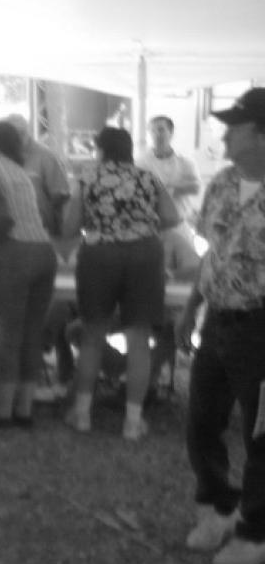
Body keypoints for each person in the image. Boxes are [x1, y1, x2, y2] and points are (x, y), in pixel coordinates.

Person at [176, 88, 265, 564]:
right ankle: (218, 506)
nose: (225, 135)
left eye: (235, 126)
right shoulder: (224, 183)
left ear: (261, 134)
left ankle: (255, 530)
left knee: (260, 433)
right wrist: (191, 306)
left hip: (260, 325)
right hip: (217, 321)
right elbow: (211, 252)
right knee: (202, 420)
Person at [61, 126, 181, 440]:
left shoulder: (87, 177)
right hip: (145, 253)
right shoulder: (148, 177)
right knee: (139, 339)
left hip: (99, 253)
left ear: (100, 150)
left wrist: (99, 221)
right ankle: (133, 421)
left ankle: (82, 414)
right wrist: (140, 222)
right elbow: (172, 217)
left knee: (92, 335)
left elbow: (70, 226)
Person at [0, 120, 57, 425]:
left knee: (8, 333)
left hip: (12, 251)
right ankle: (25, 409)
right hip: (44, 252)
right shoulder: (20, 171)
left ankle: (3, 411)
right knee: (32, 333)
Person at [7, 113, 72, 237]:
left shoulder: (46, 156)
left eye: (21, 133)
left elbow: (61, 195)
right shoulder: (2, 156)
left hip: (40, 230)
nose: (17, 138)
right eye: (12, 134)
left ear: (28, 132)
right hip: (9, 231)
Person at [138, 115, 202, 226]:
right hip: (150, 223)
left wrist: (167, 189)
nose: (157, 134)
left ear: (171, 132)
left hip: (179, 222)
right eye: (152, 131)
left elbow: (196, 188)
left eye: (161, 130)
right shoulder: (141, 162)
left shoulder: (185, 161)